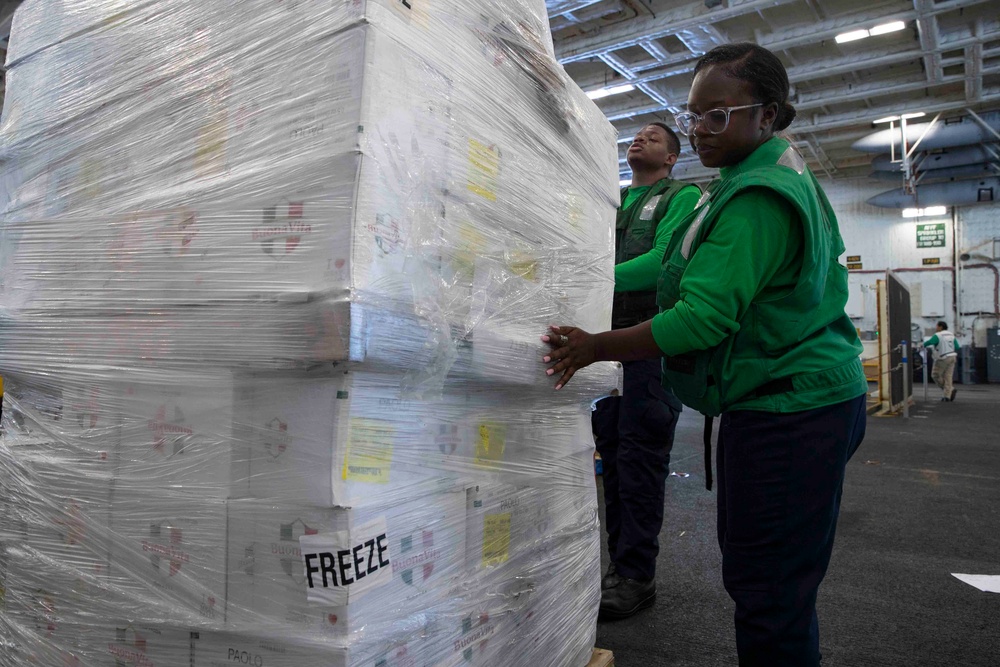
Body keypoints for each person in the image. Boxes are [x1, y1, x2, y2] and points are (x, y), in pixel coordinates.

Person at [542, 43, 867, 666]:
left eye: (717, 114)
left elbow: (702, 318)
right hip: (786, 397)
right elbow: (674, 264)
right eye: (692, 114)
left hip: (787, 409)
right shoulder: (745, 181)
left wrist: (595, 347)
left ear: (767, 115)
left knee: (769, 589)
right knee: (769, 577)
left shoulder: (756, 197)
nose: (698, 130)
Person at [595, 122, 701, 620]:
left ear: (672, 158)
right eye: (636, 135)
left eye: (655, 138)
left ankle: (637, 574)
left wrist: (590, 277)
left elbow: (663, 263)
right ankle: (619, 568)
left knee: (639, 457)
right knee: (612, 457)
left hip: (649, 341)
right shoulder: (610, 201)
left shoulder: (681, 197)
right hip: (603, 342)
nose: (640, 140)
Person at [923, 320, 959, 401]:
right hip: (952, 357)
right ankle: (947, 396)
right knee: (948, 377)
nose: (936, 328)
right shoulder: (951, 334)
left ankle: (950, 390)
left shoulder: (938, 335)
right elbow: (957, 347)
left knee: (935, 375)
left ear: (940, 327)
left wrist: (923, 345)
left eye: (937, 326)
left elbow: (930, 342)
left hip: (942, 358)